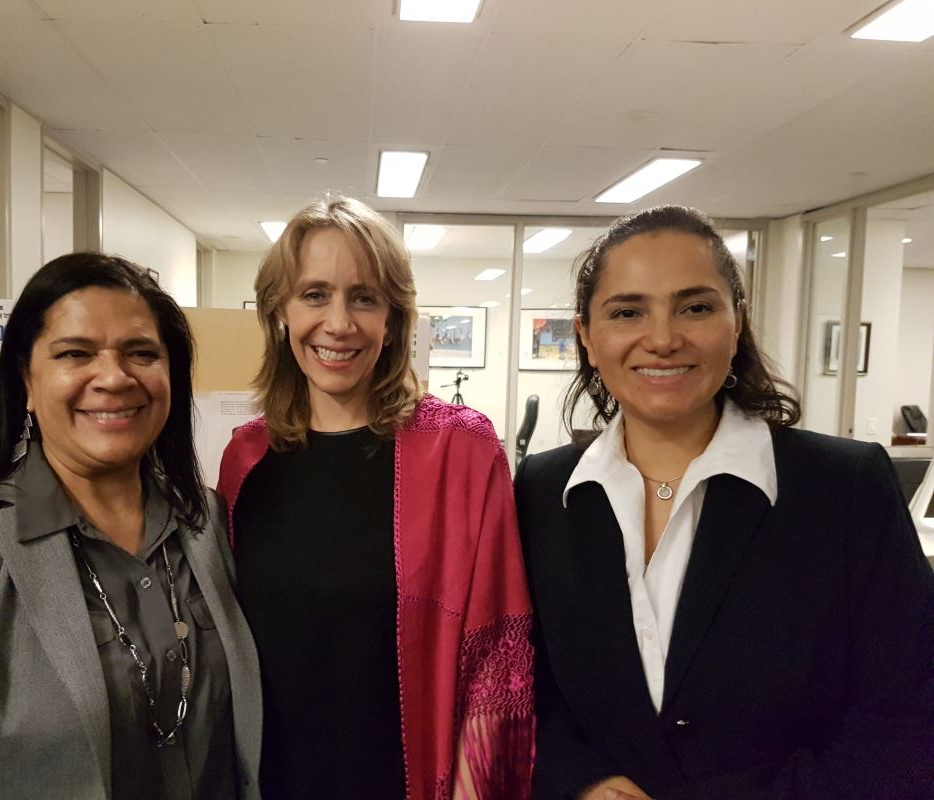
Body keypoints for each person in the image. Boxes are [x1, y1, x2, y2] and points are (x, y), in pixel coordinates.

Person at [515, 205, 934, 800]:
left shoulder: (843, 487)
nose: (663, 339)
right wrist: (580, 780)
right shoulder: (543, 490)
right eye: (628, 311)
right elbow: (521, 683)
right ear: (586, 335)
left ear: (737, 323)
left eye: (696, 307)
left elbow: (907, 717)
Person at [0, 253, 262, 800]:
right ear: (26, 382)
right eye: (75, 353)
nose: (114, 377)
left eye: (142, 353)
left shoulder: (206, 522)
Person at [217, 196, 534, 799]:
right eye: (315, 295)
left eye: (364, 298)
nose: (339, 323)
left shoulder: (460, 450)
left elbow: (500, 662)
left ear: (393, 318)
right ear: (280, 311)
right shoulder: (245, 458)